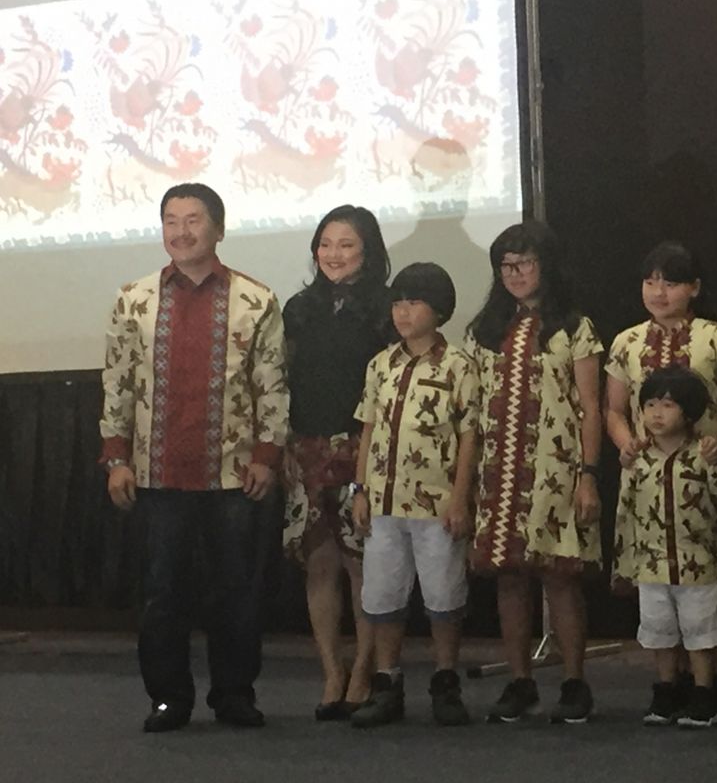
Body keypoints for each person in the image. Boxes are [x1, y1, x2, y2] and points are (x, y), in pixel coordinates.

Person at [99, 182, 288, 732]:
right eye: (170, 221)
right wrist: (116, 458)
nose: (180, 232)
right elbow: (117, 384)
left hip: (233, 472)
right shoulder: (134, 299)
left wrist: (267, 455)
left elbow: (271, 387)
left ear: (219, 229)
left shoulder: (256, 300)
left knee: (236, 592)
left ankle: (234, 694)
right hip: (157, 472)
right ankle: (168, 698)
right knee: (163, 594)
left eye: (193, 221)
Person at [465, 221, 604, 724]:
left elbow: (590, 406)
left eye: (525, 263)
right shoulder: (485, 331)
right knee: (508, 577)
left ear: (546, 266)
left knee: (560, 576)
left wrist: (588, 474)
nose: (516, 274)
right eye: (506, 265)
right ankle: (520, 682)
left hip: (555, 469)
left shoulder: (573, 327)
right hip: (498, 471)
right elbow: (474, 408)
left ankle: (573, 682)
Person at [605, 240, 717, 713]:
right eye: (650, 281)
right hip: (646, 473)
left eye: (670, 282)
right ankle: (669, 686)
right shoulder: (626, 341)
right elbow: (611, 408)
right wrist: (626, 441)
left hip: (706, 472)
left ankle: (713, 683)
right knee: (657, 587)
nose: (659, 291)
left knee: (709, 580)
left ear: (694, 288)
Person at [346, 263, 480, 728]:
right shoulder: (381, 363)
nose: (402, 312)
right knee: (383, 596)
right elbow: (368, 430)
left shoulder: (460, 365)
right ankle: (387, 682)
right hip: (384, 503)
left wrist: (460, 498)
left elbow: (468, 436)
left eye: (414, 302)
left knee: (443, 595)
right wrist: (360, 488)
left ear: (439, 310)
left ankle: (445, 681)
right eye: (397, 302)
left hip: (437, 504)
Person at [281, 205, 392, 720]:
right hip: (306, 447)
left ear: (368, 251)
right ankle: (331, 670)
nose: (333, 254)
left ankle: (365, 670)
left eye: (346, 245)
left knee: (361, 565)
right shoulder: (299, 309)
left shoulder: (387, 310)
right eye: (325, 244)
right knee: (319, 562)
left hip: (362, 450)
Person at [617, 367, 717, 729]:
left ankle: (705, 695)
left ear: (688, 412)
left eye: (667, 405)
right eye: (649, 404)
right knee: (659, 631)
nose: (656, 414)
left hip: (697, 565)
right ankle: (666, 692)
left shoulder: (704, 457)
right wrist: (625, 564)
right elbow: (626, 512)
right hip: (651, 565)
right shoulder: (637, 461)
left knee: (701, 632)